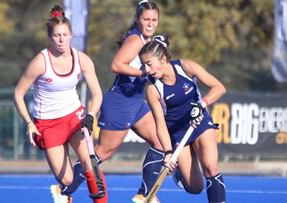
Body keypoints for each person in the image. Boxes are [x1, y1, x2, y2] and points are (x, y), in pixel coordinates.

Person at [62, 1, 163, 203]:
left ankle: (145, 195)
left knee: (161, 143)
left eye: (154, 20)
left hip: (136, 103)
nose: (150, 23)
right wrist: (143, 71)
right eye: (146, 19)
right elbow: (116, 65)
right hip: (120, 103)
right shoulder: (135, 40)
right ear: (137, 20)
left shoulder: (146, 39)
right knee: (102, 153)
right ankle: (64, 190)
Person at [13, 5, 107, 203]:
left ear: (71, 35)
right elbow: (18, 93)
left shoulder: (82, 59)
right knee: (68, 179)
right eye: (57, 35)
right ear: (50, 37)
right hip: (47, 123)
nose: (61, 39)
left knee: (92, 166)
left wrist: (91, 115)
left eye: (65, 34)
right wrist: (30, 123)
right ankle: (63, 190)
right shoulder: (40, 62)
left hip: (74, 116)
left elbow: (97, 93)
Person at [139, 35, 227, 203]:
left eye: (149, 64)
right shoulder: (152, 89)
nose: (147, 69)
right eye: (144, 65)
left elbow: (219, 87)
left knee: (211, 167)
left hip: (200, 122)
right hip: (178, 133)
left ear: (163, 59)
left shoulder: (185, 67)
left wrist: (202, 104)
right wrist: (168, 152)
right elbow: (160, 124)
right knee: (195, 188)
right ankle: (181, 171)